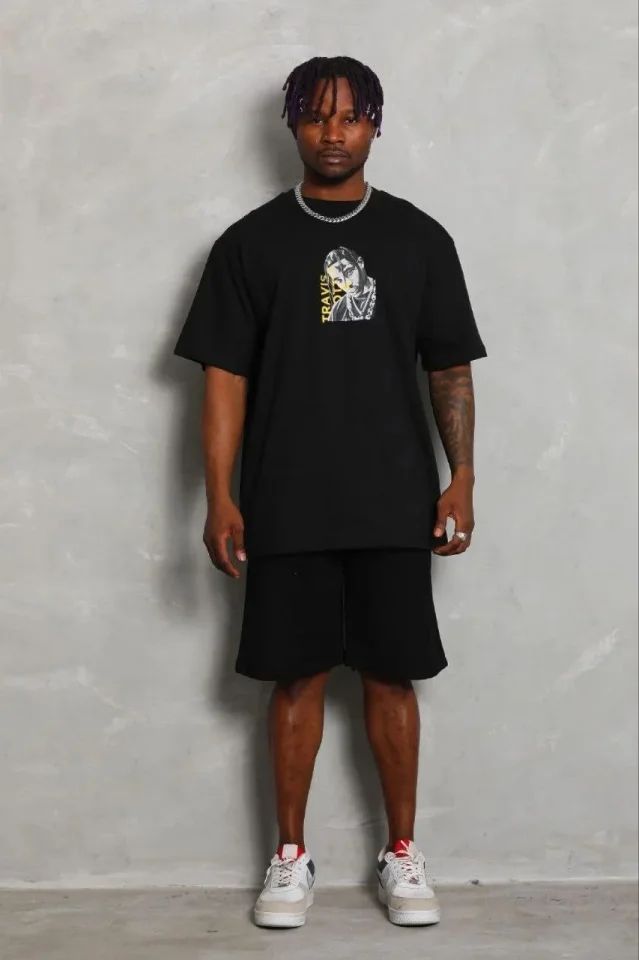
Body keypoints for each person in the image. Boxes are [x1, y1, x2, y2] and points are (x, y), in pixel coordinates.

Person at [173, 55, 487, 929]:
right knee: (294, 678)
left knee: (393, 677)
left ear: (375, 124)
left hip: (394, 497)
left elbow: (448, 368)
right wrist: (219, 495)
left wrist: (461, 475)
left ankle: (401, 852)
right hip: (286, 497)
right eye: (315, 116)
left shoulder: (419, 240)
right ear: (292, 125)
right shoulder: (249, 245)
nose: (333, 132)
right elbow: (224, 379)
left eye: (350, 116)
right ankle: (289, 857)